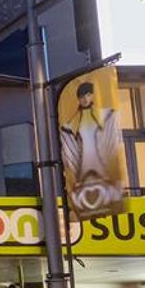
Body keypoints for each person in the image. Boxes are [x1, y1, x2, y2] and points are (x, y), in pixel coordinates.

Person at [59, 80, 126, 217]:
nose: (85, 99)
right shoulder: (72, 123)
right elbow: (69, 150)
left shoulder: (106, 116)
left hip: (101, 160)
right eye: (82, 97)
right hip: (84, 162)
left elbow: (113, 140)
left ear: (92, 96)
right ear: (78, 99)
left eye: (88, 95)